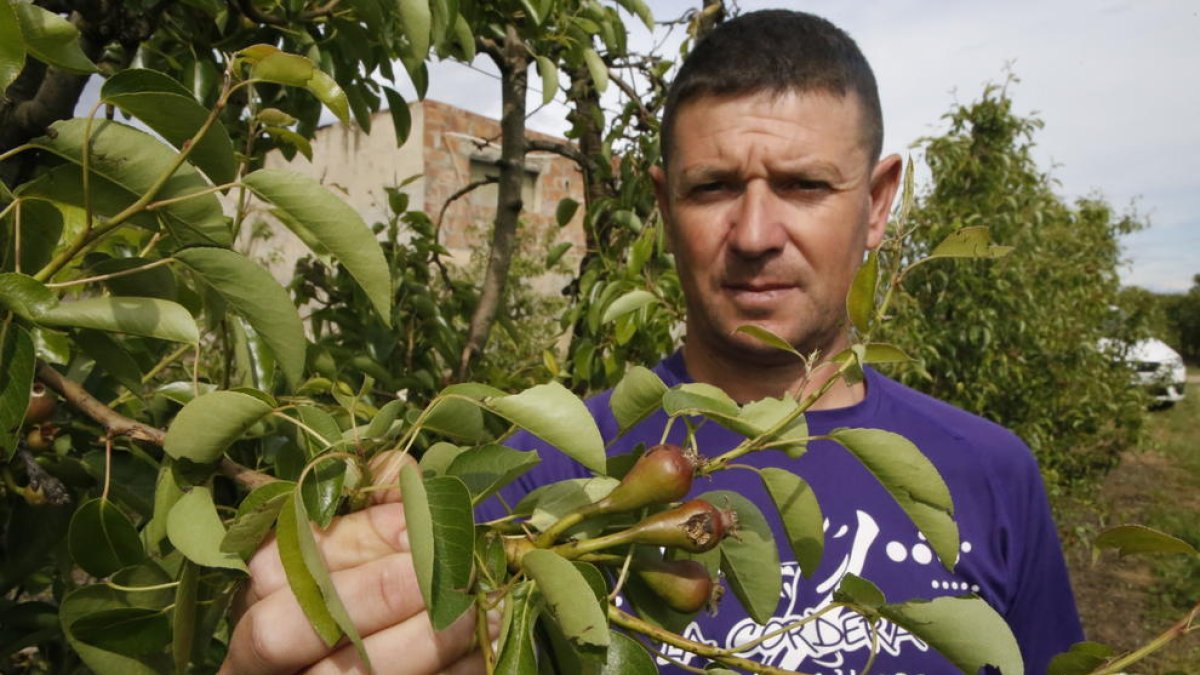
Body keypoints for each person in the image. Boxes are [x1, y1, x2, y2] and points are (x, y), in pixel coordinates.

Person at [223, 9, 1083, 674]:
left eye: (802, 185)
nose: (754, 232)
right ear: (664, 204)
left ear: (880, 199)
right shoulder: (534, 474)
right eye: (713, 188)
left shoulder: (991, 475)